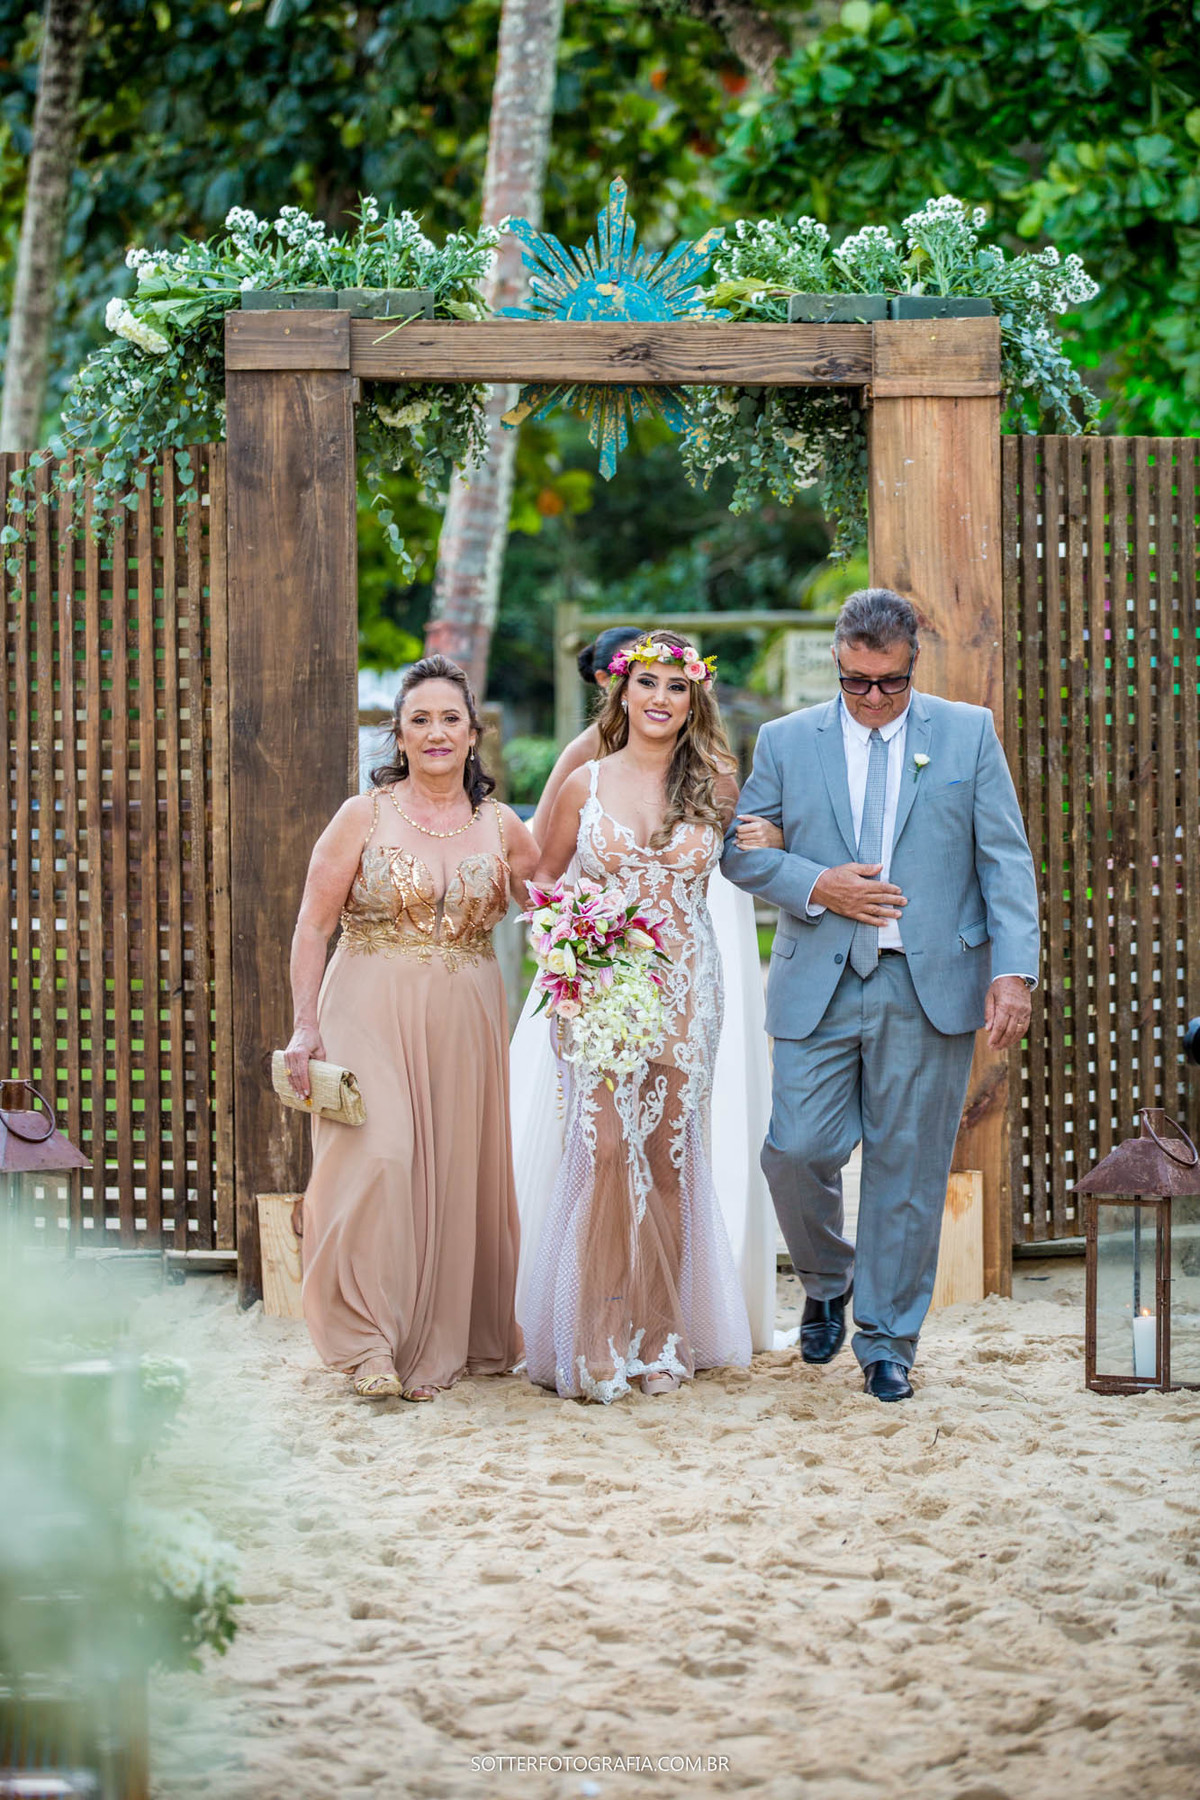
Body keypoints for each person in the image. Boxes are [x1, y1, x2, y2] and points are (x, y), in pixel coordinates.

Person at [722, 589, 1040, 1403]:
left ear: (913, 663)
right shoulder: (786, 740)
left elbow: (1005, 859)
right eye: (856, 680)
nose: (872, 697)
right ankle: (828, 1279)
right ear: (838, 660)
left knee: (908, 1168)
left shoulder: (967, 732)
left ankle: (888, 1342)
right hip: (818, 981)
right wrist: (818, 882)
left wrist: (1014, 970)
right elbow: (740, 852)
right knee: (795, 1149)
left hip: (929, 984)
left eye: (890, 682)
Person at [513, 628, 777, 1350]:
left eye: (676, 686)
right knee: (604, 1153)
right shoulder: (585, 782)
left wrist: (774, 842)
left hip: (688, 991)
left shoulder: (717, 782)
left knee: (668, 1162)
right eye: (648, 682)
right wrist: (563, 947)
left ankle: (657, 1340)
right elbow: (543, 879)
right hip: (600, 991)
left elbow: (756, 855)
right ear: (621, 692)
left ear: (694, 700)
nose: (661, 698)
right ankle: (598, 1336)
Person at [284, 656, 539, 1401]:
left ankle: (438, 1342)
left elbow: (554, 911)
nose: (435, 732)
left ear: (473, 734)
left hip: (466, 1014)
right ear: (398, 735)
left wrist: (597, 954)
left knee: (455, 1172)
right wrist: (304, 1027)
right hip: (365, 1003)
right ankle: (368, 1343)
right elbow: (312, 925)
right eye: (419, 719)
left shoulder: (503, 826)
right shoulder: (361, 815)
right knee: (382, 1158)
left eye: (449, 719)